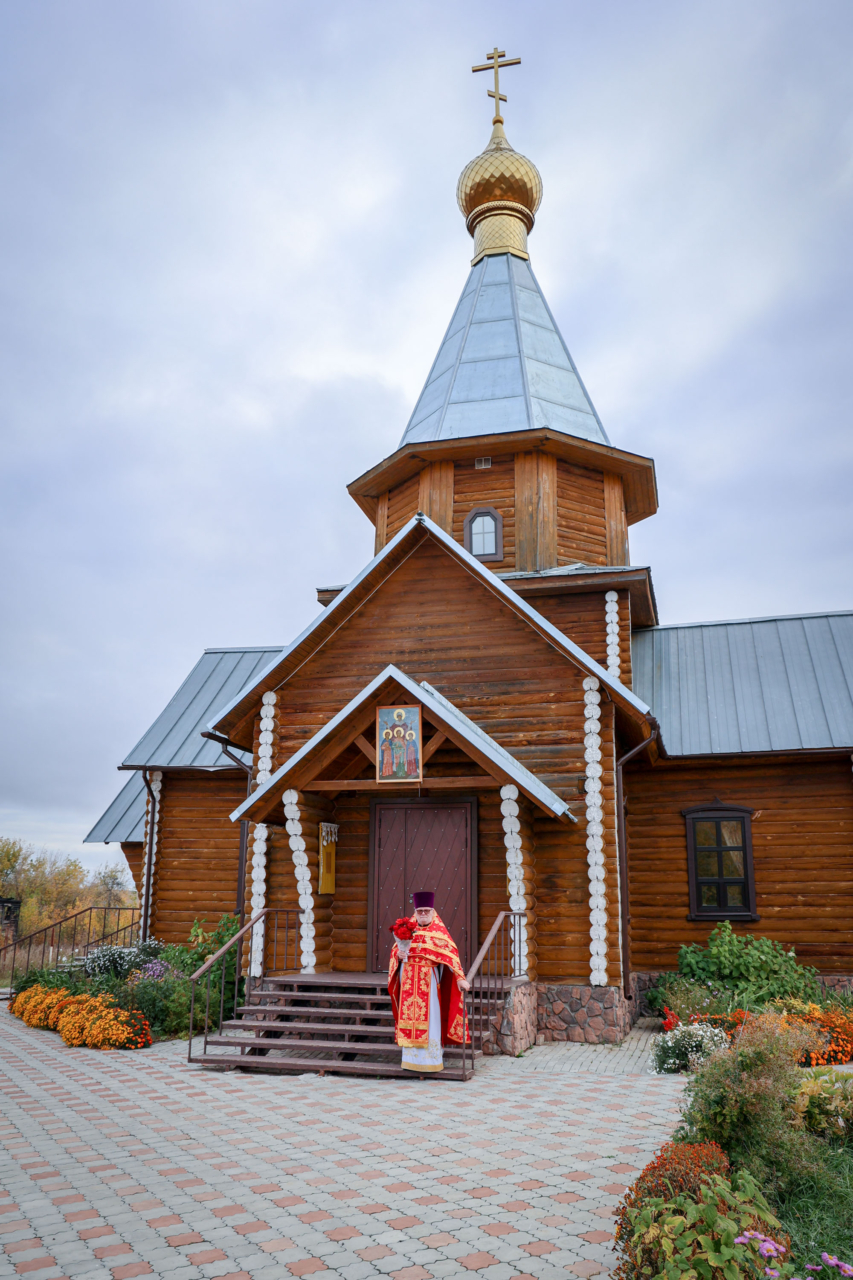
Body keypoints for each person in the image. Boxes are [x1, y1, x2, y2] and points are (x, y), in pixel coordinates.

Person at [388, 891, 471, 1072]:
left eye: (426, 910)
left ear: (433, 911)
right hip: (408, 980)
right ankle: (410, 1060)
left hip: (429, 984)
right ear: (415, 911)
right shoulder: (407, 931)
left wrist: (460, 978)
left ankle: (431, 1061)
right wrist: (399, 955)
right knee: (408, 1017)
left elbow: (451, 957)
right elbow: (395, 953)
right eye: (420, 911)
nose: (423, 914)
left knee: (431, 1017)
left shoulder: (439, 933)